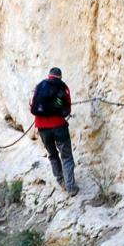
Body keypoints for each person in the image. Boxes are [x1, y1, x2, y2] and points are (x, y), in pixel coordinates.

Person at [30, 67, 77, 196]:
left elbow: (32, 105)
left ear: (49, 76)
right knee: (66, 156)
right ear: (60, 77)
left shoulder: (40, 86)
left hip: (42, 128)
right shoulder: (63, 87)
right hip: (59, 126)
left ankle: (61, 180)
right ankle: (71, 187)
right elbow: (67, 110)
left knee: (52, 154)